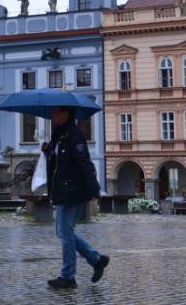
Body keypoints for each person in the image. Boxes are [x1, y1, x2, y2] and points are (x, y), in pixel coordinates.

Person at [43, 106, 109, 289]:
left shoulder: (74, 134)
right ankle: (96, 260)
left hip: (74, 191)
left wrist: (94, 189)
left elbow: (84, 162)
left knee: (65, 233)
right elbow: (57, 163)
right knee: (64, 232)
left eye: (55, 111)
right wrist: (48, 151)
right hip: (62, 190)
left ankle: (68, 276)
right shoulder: (59, 135)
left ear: (65, 114)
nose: (52, 114)